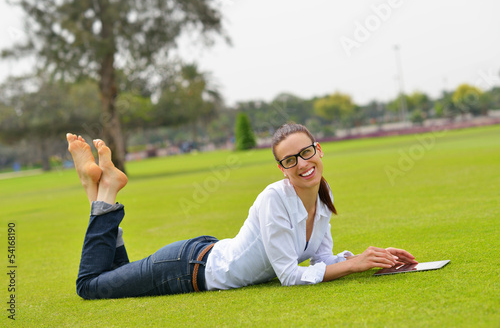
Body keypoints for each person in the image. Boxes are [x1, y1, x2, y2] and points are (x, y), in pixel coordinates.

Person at [67, 123, 417, 300]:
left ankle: (96, 188)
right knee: (90, 286)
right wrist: (354, 264)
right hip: (185, 268)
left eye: (307, 153)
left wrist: (369, 257)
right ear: (282, 167)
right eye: (290, 160)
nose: (303, 164)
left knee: (116, 275)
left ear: (318, 150)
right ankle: (103, 189)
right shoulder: (274, 199)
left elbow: (321, 258)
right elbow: (290, 275)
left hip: (204, 254)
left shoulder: (322, 195)